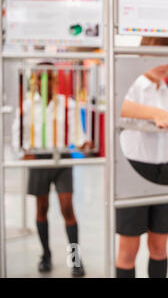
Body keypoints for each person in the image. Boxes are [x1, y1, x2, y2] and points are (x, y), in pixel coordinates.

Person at [12, 62, 90, 277]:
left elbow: (78, 134)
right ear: (35, 81)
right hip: (39, 159)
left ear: (56, 80)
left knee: (67, 208)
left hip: (61, 159)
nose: (45, 82)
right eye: (40, 78)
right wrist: (23, 150)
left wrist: (83, 143)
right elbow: (19, 135)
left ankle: (75, 258)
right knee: (41, 208)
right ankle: (45, 255)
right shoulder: (27, 106)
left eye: (50, 78)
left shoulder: (67, 104)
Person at [115, 37, 168, 278]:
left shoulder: (165, 91)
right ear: (143, 55)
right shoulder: (130, 84)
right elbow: (117, 105)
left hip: (164, 172)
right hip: (134, 172)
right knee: (128, 250)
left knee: (159, 247)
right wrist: (153, 113)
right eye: (157, 56)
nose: (164, 64)